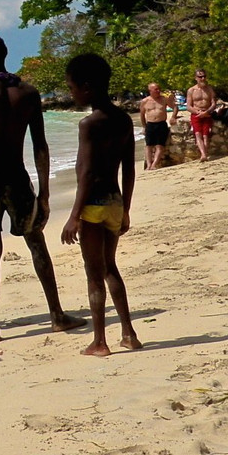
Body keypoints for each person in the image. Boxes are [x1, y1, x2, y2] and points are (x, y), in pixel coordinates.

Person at [0, 32, 84, 343]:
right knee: (35, 241)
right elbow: (40, 144)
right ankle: (56, 315)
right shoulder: (27, 91)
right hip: (16, 172)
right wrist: (45, 191)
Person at [61, 54, 142, 357]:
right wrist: (126, 208)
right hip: (115, 201)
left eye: (72, 88)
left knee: (94, 274)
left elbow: (86, 172)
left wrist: (74, 216)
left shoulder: (89, 124)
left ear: (87, 87)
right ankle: (129, 333)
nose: (71, 93)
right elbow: (130, 168)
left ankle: (99, 341)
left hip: (93, 204)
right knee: (111, 268)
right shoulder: (123, 119)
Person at [138, 82, 177, 170]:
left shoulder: (164, 99)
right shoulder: (145, 101)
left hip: (161, 124)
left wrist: (173, 117)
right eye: (156, 89)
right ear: (150, 90)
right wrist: (144, 127)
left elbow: (175, 107)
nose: (158, 91)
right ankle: (148, 165)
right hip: (150, 125)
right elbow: (142, 115)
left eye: (159, 89)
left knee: (160, 146)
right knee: (149, 146)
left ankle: (154, 164)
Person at [186, 69, 217, 162]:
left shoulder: (209, 89)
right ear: (196, 78)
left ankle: (204, 154)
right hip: (196, 114)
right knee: (198, 134)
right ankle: (203, 155)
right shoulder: (191, 90)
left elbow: (213, 104)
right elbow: (188, 106)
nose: (202, 78)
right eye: (200, 77)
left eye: (204, 76)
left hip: (207, 114)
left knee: (205, 135)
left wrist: (206, 112)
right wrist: (198, 112)